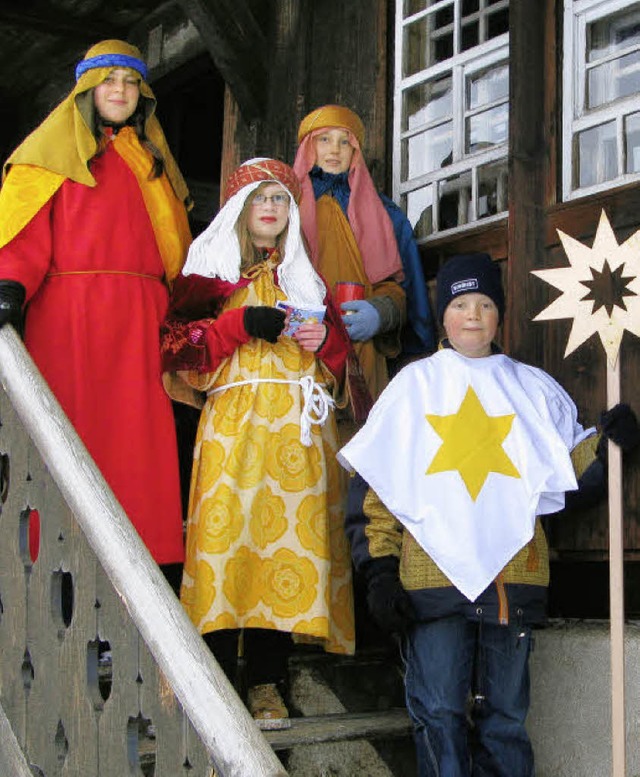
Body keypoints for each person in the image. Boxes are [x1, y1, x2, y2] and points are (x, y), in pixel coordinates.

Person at [339, 253, 639, 776]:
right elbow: (375, 491)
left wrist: (610, 446)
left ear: (500, 315)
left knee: (504, 719)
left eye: (484, 303)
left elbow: (564, 480)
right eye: (459, 303)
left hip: (512, 579)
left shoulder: (531, 388)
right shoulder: (414, 387)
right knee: (440, 714)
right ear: (442, 316)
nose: (473, 314)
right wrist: (379, 573)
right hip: (430, 585)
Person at [160, 158, 355, 726]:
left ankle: (268, 682)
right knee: (230, 545)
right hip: (235, 426)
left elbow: (341, 370)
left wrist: (326, 341)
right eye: (259, 199)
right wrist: (237, 326)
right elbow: (176, 348)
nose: (270, 208)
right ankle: (217, 678)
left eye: (280, 200)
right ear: (239, 211)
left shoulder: (306, 279)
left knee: (283, 552)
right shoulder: (208, 275)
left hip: (298, 427)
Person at [0, 40, 192, 572]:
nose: (121, 92)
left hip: (139, 320)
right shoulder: (48, 154)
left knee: (139, 454)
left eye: (131, 83)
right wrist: (10, 285)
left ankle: (144, 572)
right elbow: (21, 232)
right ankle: (59, 570)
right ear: (86, 89)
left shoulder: (148, 159)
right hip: (70, 317)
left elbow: (171, 246)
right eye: (109, 81)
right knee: (72, 443)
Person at [293, 104, 436, 408]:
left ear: (355, 151)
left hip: (360, 352)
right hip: (296, 349)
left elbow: (401, 291)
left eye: (345, 141)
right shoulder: (283, 209)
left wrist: (379, 313)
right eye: (324, 139)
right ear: (308, 147)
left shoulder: (384, 214)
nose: (335, 150)